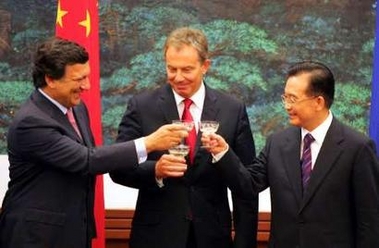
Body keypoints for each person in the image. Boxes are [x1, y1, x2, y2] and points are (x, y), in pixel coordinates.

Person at [0, 37, 188, 248]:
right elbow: (87, 160)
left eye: (87, 77)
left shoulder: (77, 108)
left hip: (75, 231)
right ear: (50, 79)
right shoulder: (31, 121)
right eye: (78, 79)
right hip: (37, 236)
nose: (87, 86)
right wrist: (149, 143)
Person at [109, 27, 258, 248]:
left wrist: (244, 242)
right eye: (171, 69)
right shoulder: (142, 106)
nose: (178, 77)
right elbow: (118, 169)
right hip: (156, 237)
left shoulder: (232, 109)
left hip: (212, 237)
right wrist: (156, 170)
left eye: (187, 69)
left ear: (205, 66)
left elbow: (246, 183)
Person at [204, 61, 379, 248]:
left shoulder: (357, 147)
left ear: (318, 102)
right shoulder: (277, 143)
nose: (286, 106)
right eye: (284, 97)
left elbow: (369, 221)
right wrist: (223, 152)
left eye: (293, 99)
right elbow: (248, 185)